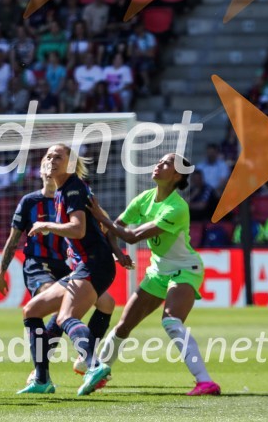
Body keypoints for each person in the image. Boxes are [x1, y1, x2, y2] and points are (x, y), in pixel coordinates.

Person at [87, 153, 222, 396]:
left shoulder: (177, 207)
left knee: (170, 321)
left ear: (177, 175)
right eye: (160, 161)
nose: (159, 164)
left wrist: (98, 215)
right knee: (123, 327)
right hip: (157, 271)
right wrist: (118, 253)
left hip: (184, 269)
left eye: (166, 163)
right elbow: (115, 230)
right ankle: (97, 372)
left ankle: (205, 381)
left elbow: (131, 235)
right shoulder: (145, 198)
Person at [0, 147, 117, 385]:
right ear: (40, 169)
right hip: (39, 266)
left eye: (57, 157)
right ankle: (46, 373)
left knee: (97, 306)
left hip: (75, 265)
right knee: (44, 310)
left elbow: (96, 225)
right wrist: (2, 271)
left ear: (70, 164)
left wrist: (118, 250)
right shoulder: (32, 201)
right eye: (47, 158)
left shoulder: (74, 191)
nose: (50, 162)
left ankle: (86, 362)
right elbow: (13, 239)